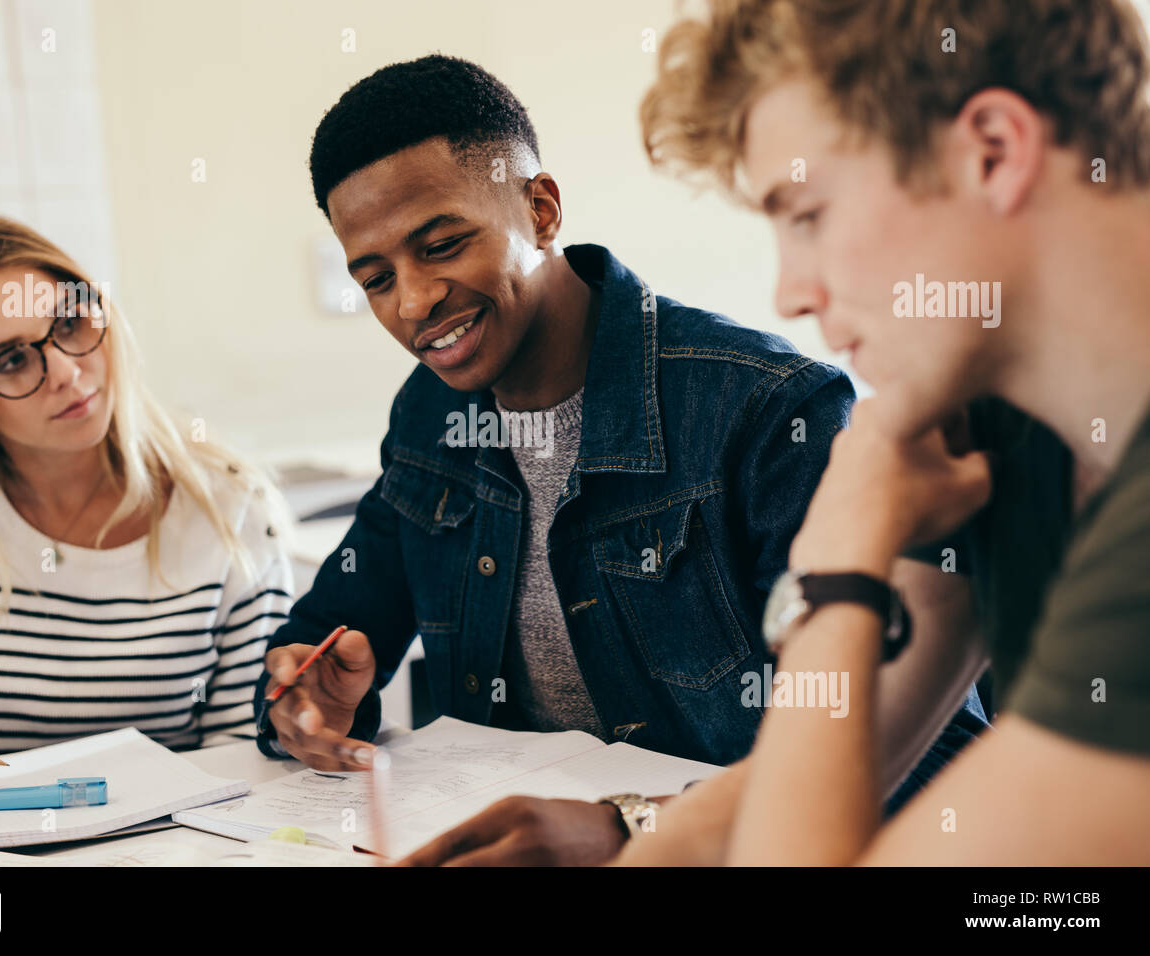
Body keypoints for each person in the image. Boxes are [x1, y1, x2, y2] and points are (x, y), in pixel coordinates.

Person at [255, 55, 987, 865]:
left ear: (540, 209)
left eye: (443, 245)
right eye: (375, 278)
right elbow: (321, 636)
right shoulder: (430, 416)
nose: (414, 302)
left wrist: (627, 826)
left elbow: (926, 759)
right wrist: (308, 704)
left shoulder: (770, 408)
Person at [617, 0, 1150, 864]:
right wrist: (637, 840)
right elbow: (793, 784)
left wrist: (839, 565)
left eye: (808, 214)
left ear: (994, 152)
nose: (790, 294)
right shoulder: (993, 426)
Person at [0, 215, 293, 803]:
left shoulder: (229, 503)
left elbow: (247, 757)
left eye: (70, 323)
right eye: (11, 360)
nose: (66, 371)